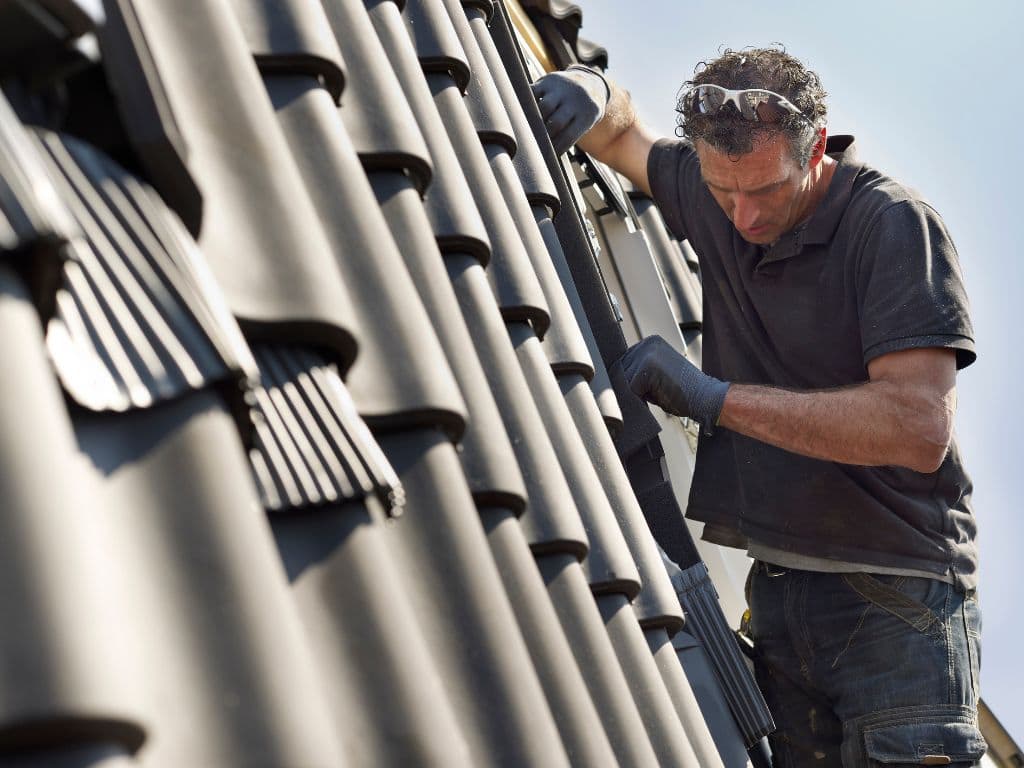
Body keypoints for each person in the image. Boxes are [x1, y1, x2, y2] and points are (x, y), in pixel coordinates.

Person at [532, 48, 985, 767]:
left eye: (768, 192)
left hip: (897, 605)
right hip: (779, 592)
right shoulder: (723, 191)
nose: (743, 217)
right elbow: (623, 135)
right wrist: (593, 89)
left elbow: (918, 426)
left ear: (817, 146)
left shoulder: (892, 225)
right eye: (721, 191)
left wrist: (714, 400)